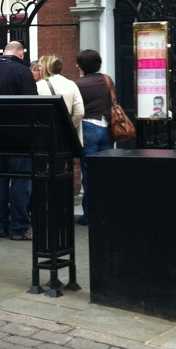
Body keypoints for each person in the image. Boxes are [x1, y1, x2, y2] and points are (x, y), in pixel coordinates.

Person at [0, 40, 37, 241]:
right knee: (20, 182)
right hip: (20, 136)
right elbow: (33, 104)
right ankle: (19, 227)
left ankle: (0, 225)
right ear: (21, 54)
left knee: (0, 181)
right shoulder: (23, 72)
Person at [76, 49, 114, 226]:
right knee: (106, 172)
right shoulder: (107, 80)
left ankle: (89, 215)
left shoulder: (78, 85)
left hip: (88, 128)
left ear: (82, 65)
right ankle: (106, 213)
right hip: (106, 127)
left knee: (88, 173)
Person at [37, 54, 85, 143]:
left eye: (40, 66)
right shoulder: (71, 84)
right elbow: (80, 112)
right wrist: (67, 127)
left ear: (46, 67)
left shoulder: (38, 86)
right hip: (66, 139)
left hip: (45, 136)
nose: (39, 68)